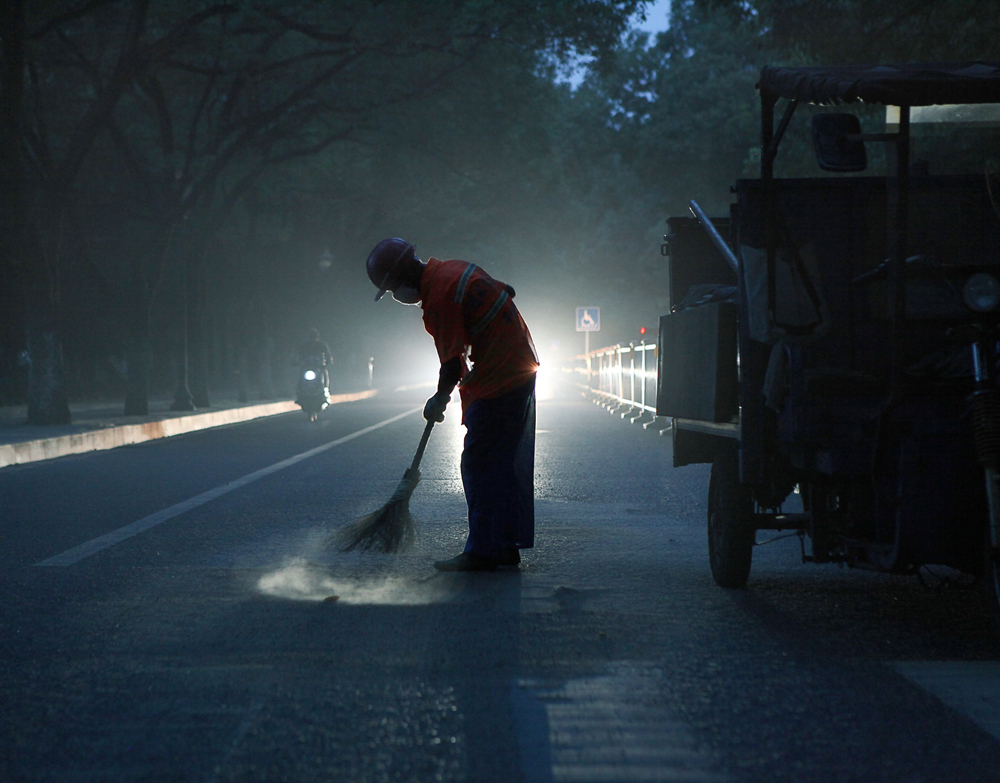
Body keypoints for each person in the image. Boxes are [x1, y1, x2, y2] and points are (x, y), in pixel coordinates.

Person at [366, 237, 539, 572]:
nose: (396, 297)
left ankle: (486, 551)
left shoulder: (440, 296)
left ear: (402, 278)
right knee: (496, 462)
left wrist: (438, 399)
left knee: (479, 461)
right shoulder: (451, 270)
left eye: (391, 289)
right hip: (513, 364)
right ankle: (501, 547)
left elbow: (452, 365)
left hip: (502, 373)